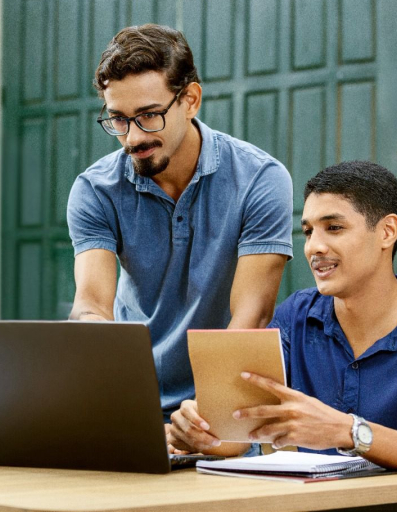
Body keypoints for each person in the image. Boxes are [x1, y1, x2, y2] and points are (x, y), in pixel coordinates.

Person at [168, 161, 397, 512]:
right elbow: (238, 436)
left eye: (333, 228)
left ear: (387, 232)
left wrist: (348, 431)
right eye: (308, 231)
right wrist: (201, 430)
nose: (314, 248)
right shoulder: (296, 316)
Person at [66, 24, 293, 419]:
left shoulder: (261, 179)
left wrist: (209, 416)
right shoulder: (95, 190)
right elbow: (91, 304)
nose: (133, 137)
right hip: (133, 406)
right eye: (118, 119)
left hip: (224, 407)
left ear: (190, 100)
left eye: (149, 115)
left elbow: (251, 315)